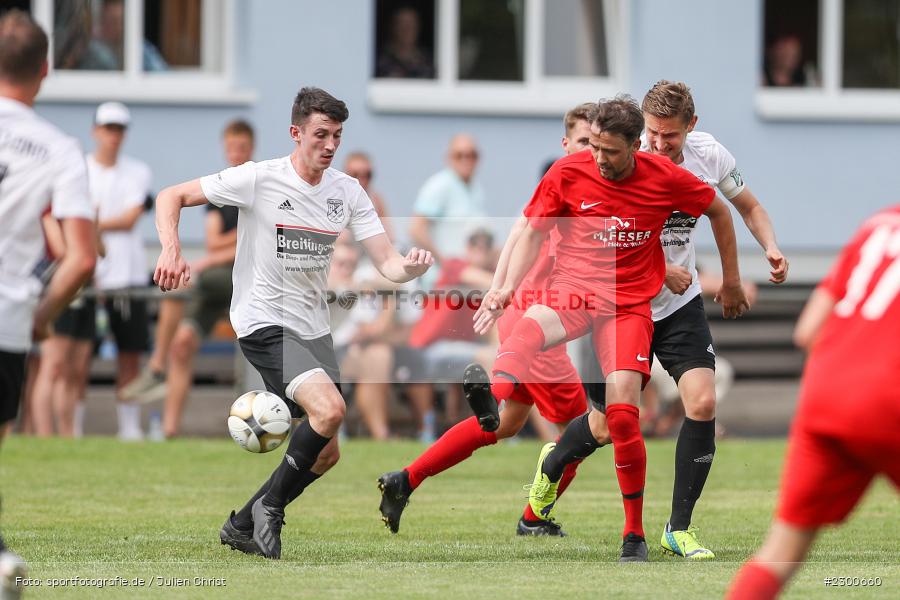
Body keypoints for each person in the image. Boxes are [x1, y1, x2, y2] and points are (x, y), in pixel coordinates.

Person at [153, 86, 433, 560]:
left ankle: (243, 523)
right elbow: (171, 195)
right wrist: (170, 248)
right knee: (330, 411)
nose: (329, 145)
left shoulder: (347, 191)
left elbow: (387, 262)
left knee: (326, 452)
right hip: (262, 321)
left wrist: (411, 268)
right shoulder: (259, 178)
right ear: (296, 132)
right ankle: (273, 509)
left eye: (337, 136)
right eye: (320, 134)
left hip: (313, 328)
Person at [516, 81, 788, 560]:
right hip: (620, 304)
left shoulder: (709, 157)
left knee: (701, 402)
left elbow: (745, 208)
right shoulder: (621, 158)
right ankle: (551, 465)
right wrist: (663, 272)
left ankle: (678, 528)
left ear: (691, 129)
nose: (659, 147)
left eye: (671, 138)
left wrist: (762, 253)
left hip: (678, 307)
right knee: (606, 425)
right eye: (653, 137)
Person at [377, 103, 597, 537]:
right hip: (541, 324)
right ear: (566, 143)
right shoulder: (575, 195)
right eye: (584, 141)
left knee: (504, 424)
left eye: (598, 142)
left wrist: (499, 292)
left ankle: (405, 480)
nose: (592, 149)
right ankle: (534, 518)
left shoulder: (548, 194)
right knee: (583, 432)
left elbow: (516, 239)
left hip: (524, 316)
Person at [727, 205, 900, 599]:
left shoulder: (878, 224)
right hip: (891, 398)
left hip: (826, 395)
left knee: (779, 553)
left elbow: (807, 331)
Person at [0, 9, 97, 595]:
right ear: (45, 70)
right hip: (6, 318)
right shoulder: (59, 149)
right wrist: (40, 315)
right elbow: (82, 257)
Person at [121, 119, 254, 438]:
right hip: (218, 282)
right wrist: (234, 241)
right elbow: (215, 241)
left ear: (251, 149)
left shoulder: (258, 185)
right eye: (231, 147)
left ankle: (155, 367)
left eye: (241, 147)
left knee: (193, 278)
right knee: (181, 342)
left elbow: (252, 244)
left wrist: (219, 251)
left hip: (248, 282)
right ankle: (167, 425)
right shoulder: (218, 191)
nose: (235, 153)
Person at [87, 101, 154, 441]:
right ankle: (70, 427)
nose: (113, 136)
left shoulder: (137, 171)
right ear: (95, 131)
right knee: (77, 356)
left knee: (130, 354)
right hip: (87, 274)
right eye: (108, 128)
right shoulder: (82, 169)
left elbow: (129, 219)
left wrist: (93, 222)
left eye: (119, 129)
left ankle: (129, 427)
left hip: (127, 275)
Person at [409, 133, 486, 287]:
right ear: (449, 158)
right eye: (459, 155)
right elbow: (416, 229)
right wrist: (445, 263)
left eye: (471, 155)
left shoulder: (475, 188)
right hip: (440, 280)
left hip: (465, 278)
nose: (466, 160)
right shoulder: (439, 186)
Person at [342, 151, 393, 241]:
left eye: (367, 175)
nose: (362, 180)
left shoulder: (376, 200)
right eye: (355, 175)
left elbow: (389, 236)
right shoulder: (336, 199)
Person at [375, 6, 435, 79]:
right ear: (392, 27)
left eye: (412, 24)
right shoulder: (380, 60)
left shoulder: (428, 61)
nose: (407, 29)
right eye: (401, 24)